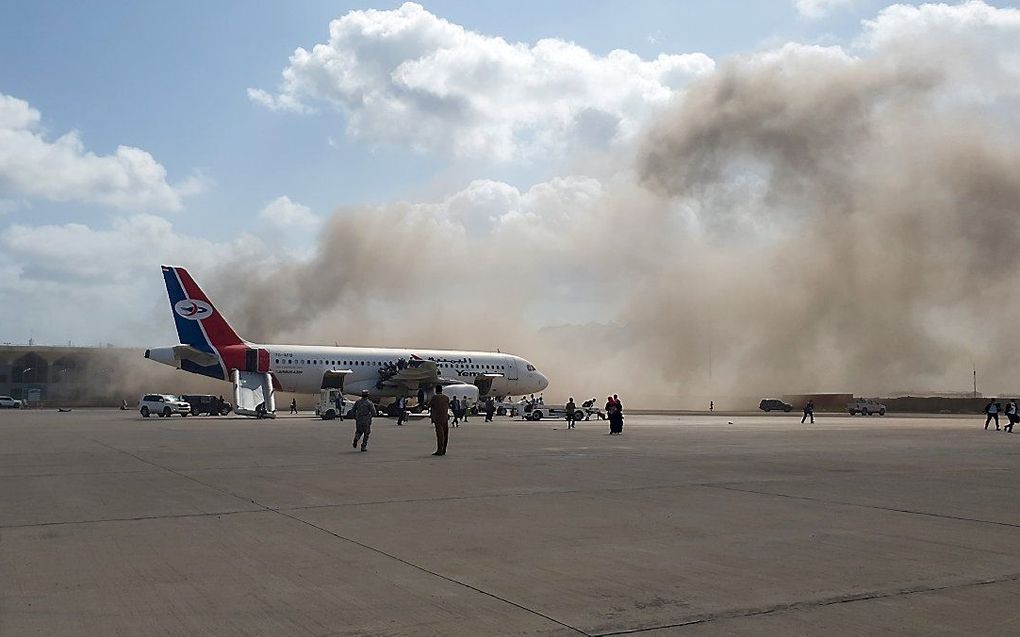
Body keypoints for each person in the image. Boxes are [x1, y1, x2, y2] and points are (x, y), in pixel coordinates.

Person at [429, 385, 451, 456]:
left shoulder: (435, 397)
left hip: (438, 418)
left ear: (436, 390)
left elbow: (429, 405)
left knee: (440, 435)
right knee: (445, 434)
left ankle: (439, 450)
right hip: (445, 418)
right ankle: (444, 449)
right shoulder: (446, 398)